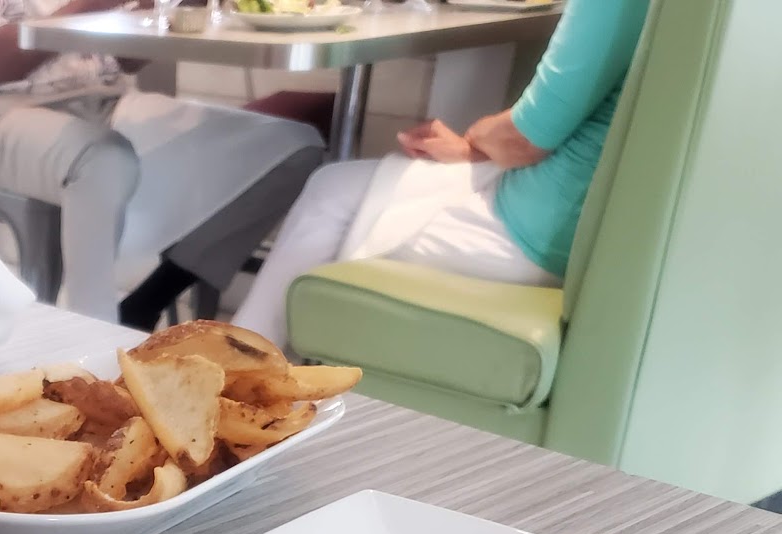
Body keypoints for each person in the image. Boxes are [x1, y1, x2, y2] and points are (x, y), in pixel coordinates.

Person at [232, 0, 652, 351]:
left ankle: (235, 381)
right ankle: (260, 372)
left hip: (538, 235)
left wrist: (475, 138)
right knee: (340, 187)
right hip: (611, 233)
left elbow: (525, 139)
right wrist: (474, 150)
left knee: (330, 193)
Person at [0, 0, 324, 327]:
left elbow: (125, 60)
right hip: (0, 115)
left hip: (110, 103)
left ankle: (145, 305)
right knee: (104, 159)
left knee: (294, 146)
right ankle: (89, 332)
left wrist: (169, 9)